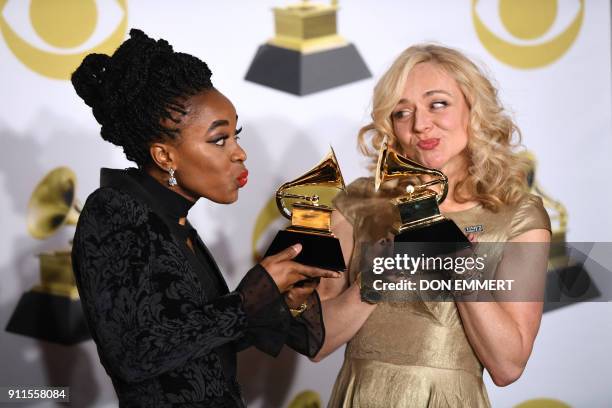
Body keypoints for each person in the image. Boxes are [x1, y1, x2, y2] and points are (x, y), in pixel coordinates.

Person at [70, 29, 340, 408]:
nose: (240, 153)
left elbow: (197, 343)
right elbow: (134, 354)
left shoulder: (174, 221)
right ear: (165, 156)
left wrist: (277, 298)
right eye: (219, 140)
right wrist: (250, 297)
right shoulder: (115, 211)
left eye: (236, 135)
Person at [313, 44, 551, 407]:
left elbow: (508, 365)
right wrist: (370, 284)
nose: (420, 124)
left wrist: (454, 259)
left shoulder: (517, 214)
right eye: (401, 112)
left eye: (437, 103)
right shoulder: (357, 204)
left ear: (474, 107)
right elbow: (316, 342)